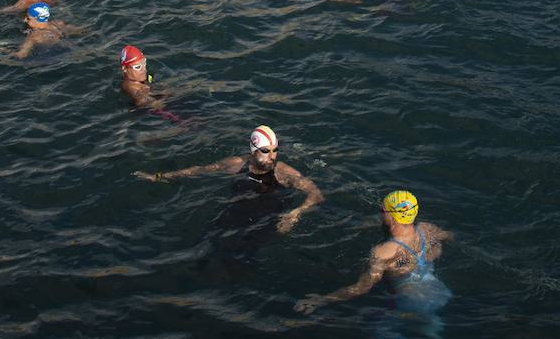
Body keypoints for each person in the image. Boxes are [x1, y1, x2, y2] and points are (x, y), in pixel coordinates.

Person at [133, 125, 324, 235]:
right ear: (253, 150)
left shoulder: (284, 173)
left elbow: (316, 194)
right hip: (233, 215)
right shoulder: (235, 164)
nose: (272, 156)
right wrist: (159, 177)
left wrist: (296, 213)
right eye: (266, 151)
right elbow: (199, 170)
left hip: (264, 222)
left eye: (275, 150)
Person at [294, 191, 452, 317]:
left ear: (392, 217)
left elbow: (362, 287)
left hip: (409, 300)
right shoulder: (428, 229)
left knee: (381, 330)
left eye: (383, 210)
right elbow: (450, 236)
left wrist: (321, 300)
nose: (380, 213)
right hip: (439, 292)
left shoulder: (383, 251)